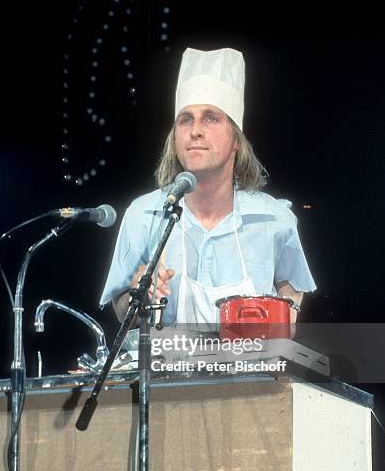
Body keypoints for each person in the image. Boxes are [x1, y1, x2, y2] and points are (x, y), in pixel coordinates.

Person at [100, 47, 316, 326]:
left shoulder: (273, 218)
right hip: (166, 367)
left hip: (250, 367)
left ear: (236, 140)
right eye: (185, 119)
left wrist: (284, 320)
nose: (195, 130)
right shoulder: (144, 215)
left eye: (211, 118)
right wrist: (138, 295)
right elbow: (121, 312)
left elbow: (292, 284)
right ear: (175, 138)